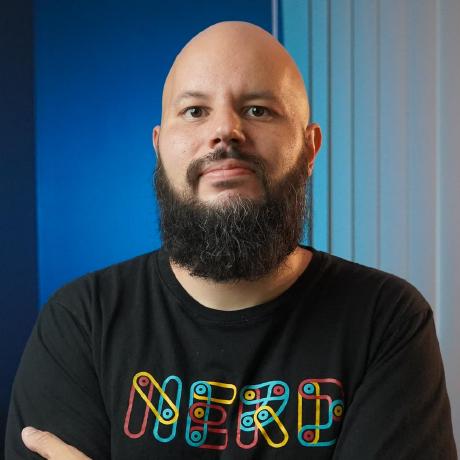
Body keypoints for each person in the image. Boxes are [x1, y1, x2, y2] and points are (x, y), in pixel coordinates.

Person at [5, 21, 457, 460]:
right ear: (159, 147)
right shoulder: (82, 322)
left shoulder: (386, 321)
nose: (225, 130)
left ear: (309, 148)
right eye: (195, 111)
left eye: (258, 109)